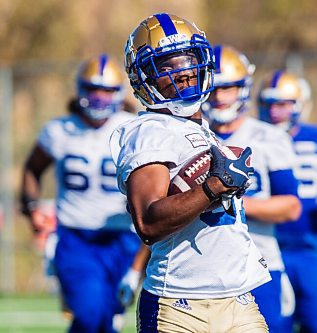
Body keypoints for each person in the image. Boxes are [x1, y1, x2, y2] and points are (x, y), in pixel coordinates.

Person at [110, 13, 271, 332]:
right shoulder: (148, 131)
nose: (182, 73)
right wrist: (213, 187)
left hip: (239, 297)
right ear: (145, 78)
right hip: (181, 304)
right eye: (167, 66)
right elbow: (148, 223)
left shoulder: (205, 131)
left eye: (187, 60)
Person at [20, 54, 142, 333]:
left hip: (123, 238)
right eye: (93, 89)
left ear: (119, 93)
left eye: (107, 90)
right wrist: (30, 206)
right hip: (76, 238)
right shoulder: (59, 131)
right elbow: (32, 169)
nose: (99, 98)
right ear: (80, 89)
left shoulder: (132, 129)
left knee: (107, 317)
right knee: (89, 313)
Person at [202, 45, 302, 332]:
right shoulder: (189, 135)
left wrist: (232, 203)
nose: (220, 97)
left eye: (228, 88)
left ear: (243, 88)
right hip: (202, 271)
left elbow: (291, 206)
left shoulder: (269, 137)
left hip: (259, 266)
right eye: (214, 88)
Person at [258, 70, 317, 333]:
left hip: (311, 246)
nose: (276, 111)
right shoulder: (254, 136)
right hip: (266, 247)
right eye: (270, 104)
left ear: (299, 105)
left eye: (283, 104)